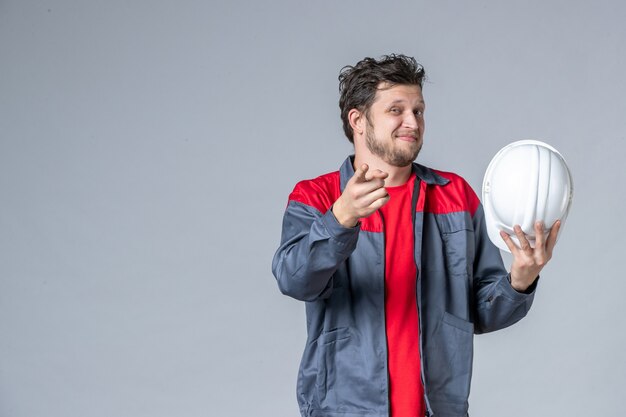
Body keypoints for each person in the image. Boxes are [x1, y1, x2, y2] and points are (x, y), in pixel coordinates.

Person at [271, 54, 560, 417]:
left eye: (419, 111)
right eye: (397, 109)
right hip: (343, 409)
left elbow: (480, 313)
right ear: (358, 120)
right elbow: (295, 281)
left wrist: (520, 281)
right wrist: (340, 219)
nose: (413, 122)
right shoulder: (317, 197)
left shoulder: (455, 196)